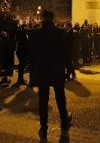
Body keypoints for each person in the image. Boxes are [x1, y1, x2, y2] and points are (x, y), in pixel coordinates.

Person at [28, 10, 72, 142]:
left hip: (42, 71)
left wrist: (35, 67)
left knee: (43, 100)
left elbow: (31, 54)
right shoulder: (61, 33)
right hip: (57, 70)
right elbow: (66, 53)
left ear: (42, 19)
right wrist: (69, 69)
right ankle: (64, 122)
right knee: (60, 97)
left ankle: (43, 127)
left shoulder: (35, 34)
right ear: (53, 19)